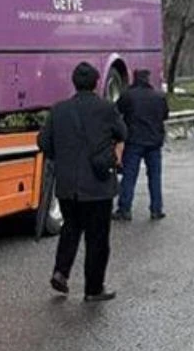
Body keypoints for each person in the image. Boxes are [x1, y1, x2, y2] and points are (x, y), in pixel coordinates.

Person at [38, 62, 127, 302]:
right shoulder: (107, 108)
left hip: (67, 186)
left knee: (70, 228)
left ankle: (61, 272)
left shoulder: (58, 110)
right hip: (97, 186)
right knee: (97, 238)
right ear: (98, 83)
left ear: (74, 83)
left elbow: (44, 144)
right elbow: (122, 133)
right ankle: (93, 289)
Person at [114, 69, 169, 221]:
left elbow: (116, 112)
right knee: (155, 177)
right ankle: (156, 209)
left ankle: (124, 209)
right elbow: (165, 115)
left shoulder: (128, 95)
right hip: (154, 142)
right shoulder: (159, 96)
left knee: (129, 176)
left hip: (134, 141)